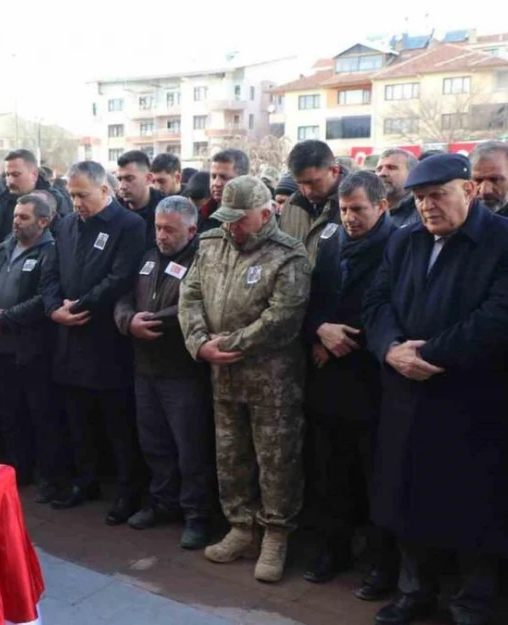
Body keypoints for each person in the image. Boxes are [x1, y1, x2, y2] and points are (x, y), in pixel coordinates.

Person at [363, 153, 508, 625]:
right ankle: (414, 592)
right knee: (406, 496)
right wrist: (391, 349)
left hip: (471, 398)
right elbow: (376, 302)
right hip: (406, 392)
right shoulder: (403, 243)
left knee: (473, 505)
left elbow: (500, 317)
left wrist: (430, 356)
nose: (427, 207)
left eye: (437, 195)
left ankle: (471, 602)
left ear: (468, 189)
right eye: (419, 198)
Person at [179, 176, 311, 583]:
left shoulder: (289, 255)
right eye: (227, 219)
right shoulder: (212, 243)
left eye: (240, 220)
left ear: (267, 213)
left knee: (276, 459)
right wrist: (200, 343)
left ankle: (275, 534)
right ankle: (240, 526)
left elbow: (283, 318)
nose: (232, 227)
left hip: (271, 379)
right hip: (223, 374)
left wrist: (228, 342)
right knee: (230, 454)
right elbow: (191, 294)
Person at [301, 171, 399, 599]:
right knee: (329, 474)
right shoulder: (329, 241)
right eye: (343, 210)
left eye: (358, 209)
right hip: (326, 381)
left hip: (371, 382)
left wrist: (345, 339)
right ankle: (333, 550)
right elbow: (310, 299)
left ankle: (382, 564)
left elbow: (390, 308)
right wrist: (319, 330)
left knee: (375, 479)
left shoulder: (400, 245)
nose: (350, 218)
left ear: (382, 206)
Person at [41, 160, 146, 524]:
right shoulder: (67, 224)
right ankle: (85, 481)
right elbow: (50, 271)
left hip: (106, 341)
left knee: (117, 424)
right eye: (71, 195)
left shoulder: (129, 225)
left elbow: (120, 278)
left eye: (82, 195)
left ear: (105, 190)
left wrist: (80, 306)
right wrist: (55, 308)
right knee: (77, 418)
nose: (76, 202)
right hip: (68, 338)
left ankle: (127, 491)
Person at [113, 195, 212, 550]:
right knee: (154, 443)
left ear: (191, 228)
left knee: (190, 448)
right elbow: (123, 296)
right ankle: (163, 502)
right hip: (144, 368)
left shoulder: (202, 259)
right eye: (157, 227)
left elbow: (193, 305)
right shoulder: (148, 256)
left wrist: (152, 321)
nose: (161, 235)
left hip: (181, 371)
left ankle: (196, 515)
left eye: (169, 229)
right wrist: (127, 321)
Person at [0, 193, 60, 498]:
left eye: (24, 218)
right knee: (8, 411)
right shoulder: (3, 247)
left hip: (31, 348)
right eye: (15, 216)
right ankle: (18, 468)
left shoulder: (51, 251)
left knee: (40, 414)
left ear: (43, 220)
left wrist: (8, 318)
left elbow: (44, 298)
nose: (16, 222)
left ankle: (48, 476)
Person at [279, 140, 346, 265]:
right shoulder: (291, 206)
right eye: (300, 183)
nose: (307, 191)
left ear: (334, 171)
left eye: (313, 182)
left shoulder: (357, 205)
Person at [0, 149, 70, 242]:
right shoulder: (2, 200)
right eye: (7, 175)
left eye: (16, 174)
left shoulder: (55, 201)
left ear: (34, 174)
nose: (10, 181)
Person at [116, 150, 166, 249]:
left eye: (129, 179)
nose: (122, 186)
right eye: (120, 179)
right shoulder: (115, 210)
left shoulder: (166, 210)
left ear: (148, 178)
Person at [199, 149, 251, 231]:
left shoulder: (257, 217)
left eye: (224, 177)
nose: (216, 183)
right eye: (213, 176)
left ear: (243, 178)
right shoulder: (201, 215)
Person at [377, 148, 420, 228]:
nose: (382, 173)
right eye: (379, 169)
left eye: (391, 168)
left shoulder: (423, 212)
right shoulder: (370, 209)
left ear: (411, 174)